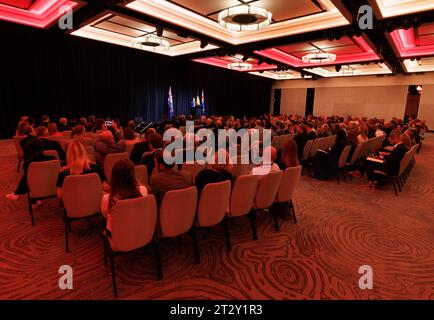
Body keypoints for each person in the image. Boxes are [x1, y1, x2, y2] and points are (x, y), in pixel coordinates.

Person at [101, 159, 148, 231]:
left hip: (118, 234)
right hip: (138, 229)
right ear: (132, 175)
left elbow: (105, 215)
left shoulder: (107, 198)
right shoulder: (143, 190)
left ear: (114, 176)